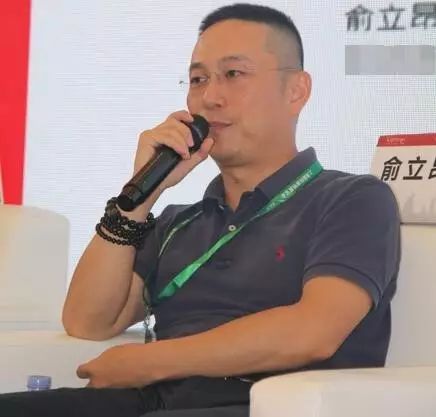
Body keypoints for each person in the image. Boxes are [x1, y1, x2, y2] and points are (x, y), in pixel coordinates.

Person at [0, 3, 400, 417]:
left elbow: (312, 332)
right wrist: (137, 198)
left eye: (234, 74)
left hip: (264, 406)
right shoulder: (180, 221)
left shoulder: (352, 198)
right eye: (198, 79)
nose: (210, 97)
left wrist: (150, 362)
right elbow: (88, 321)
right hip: (153, 401)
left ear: (296, 90)